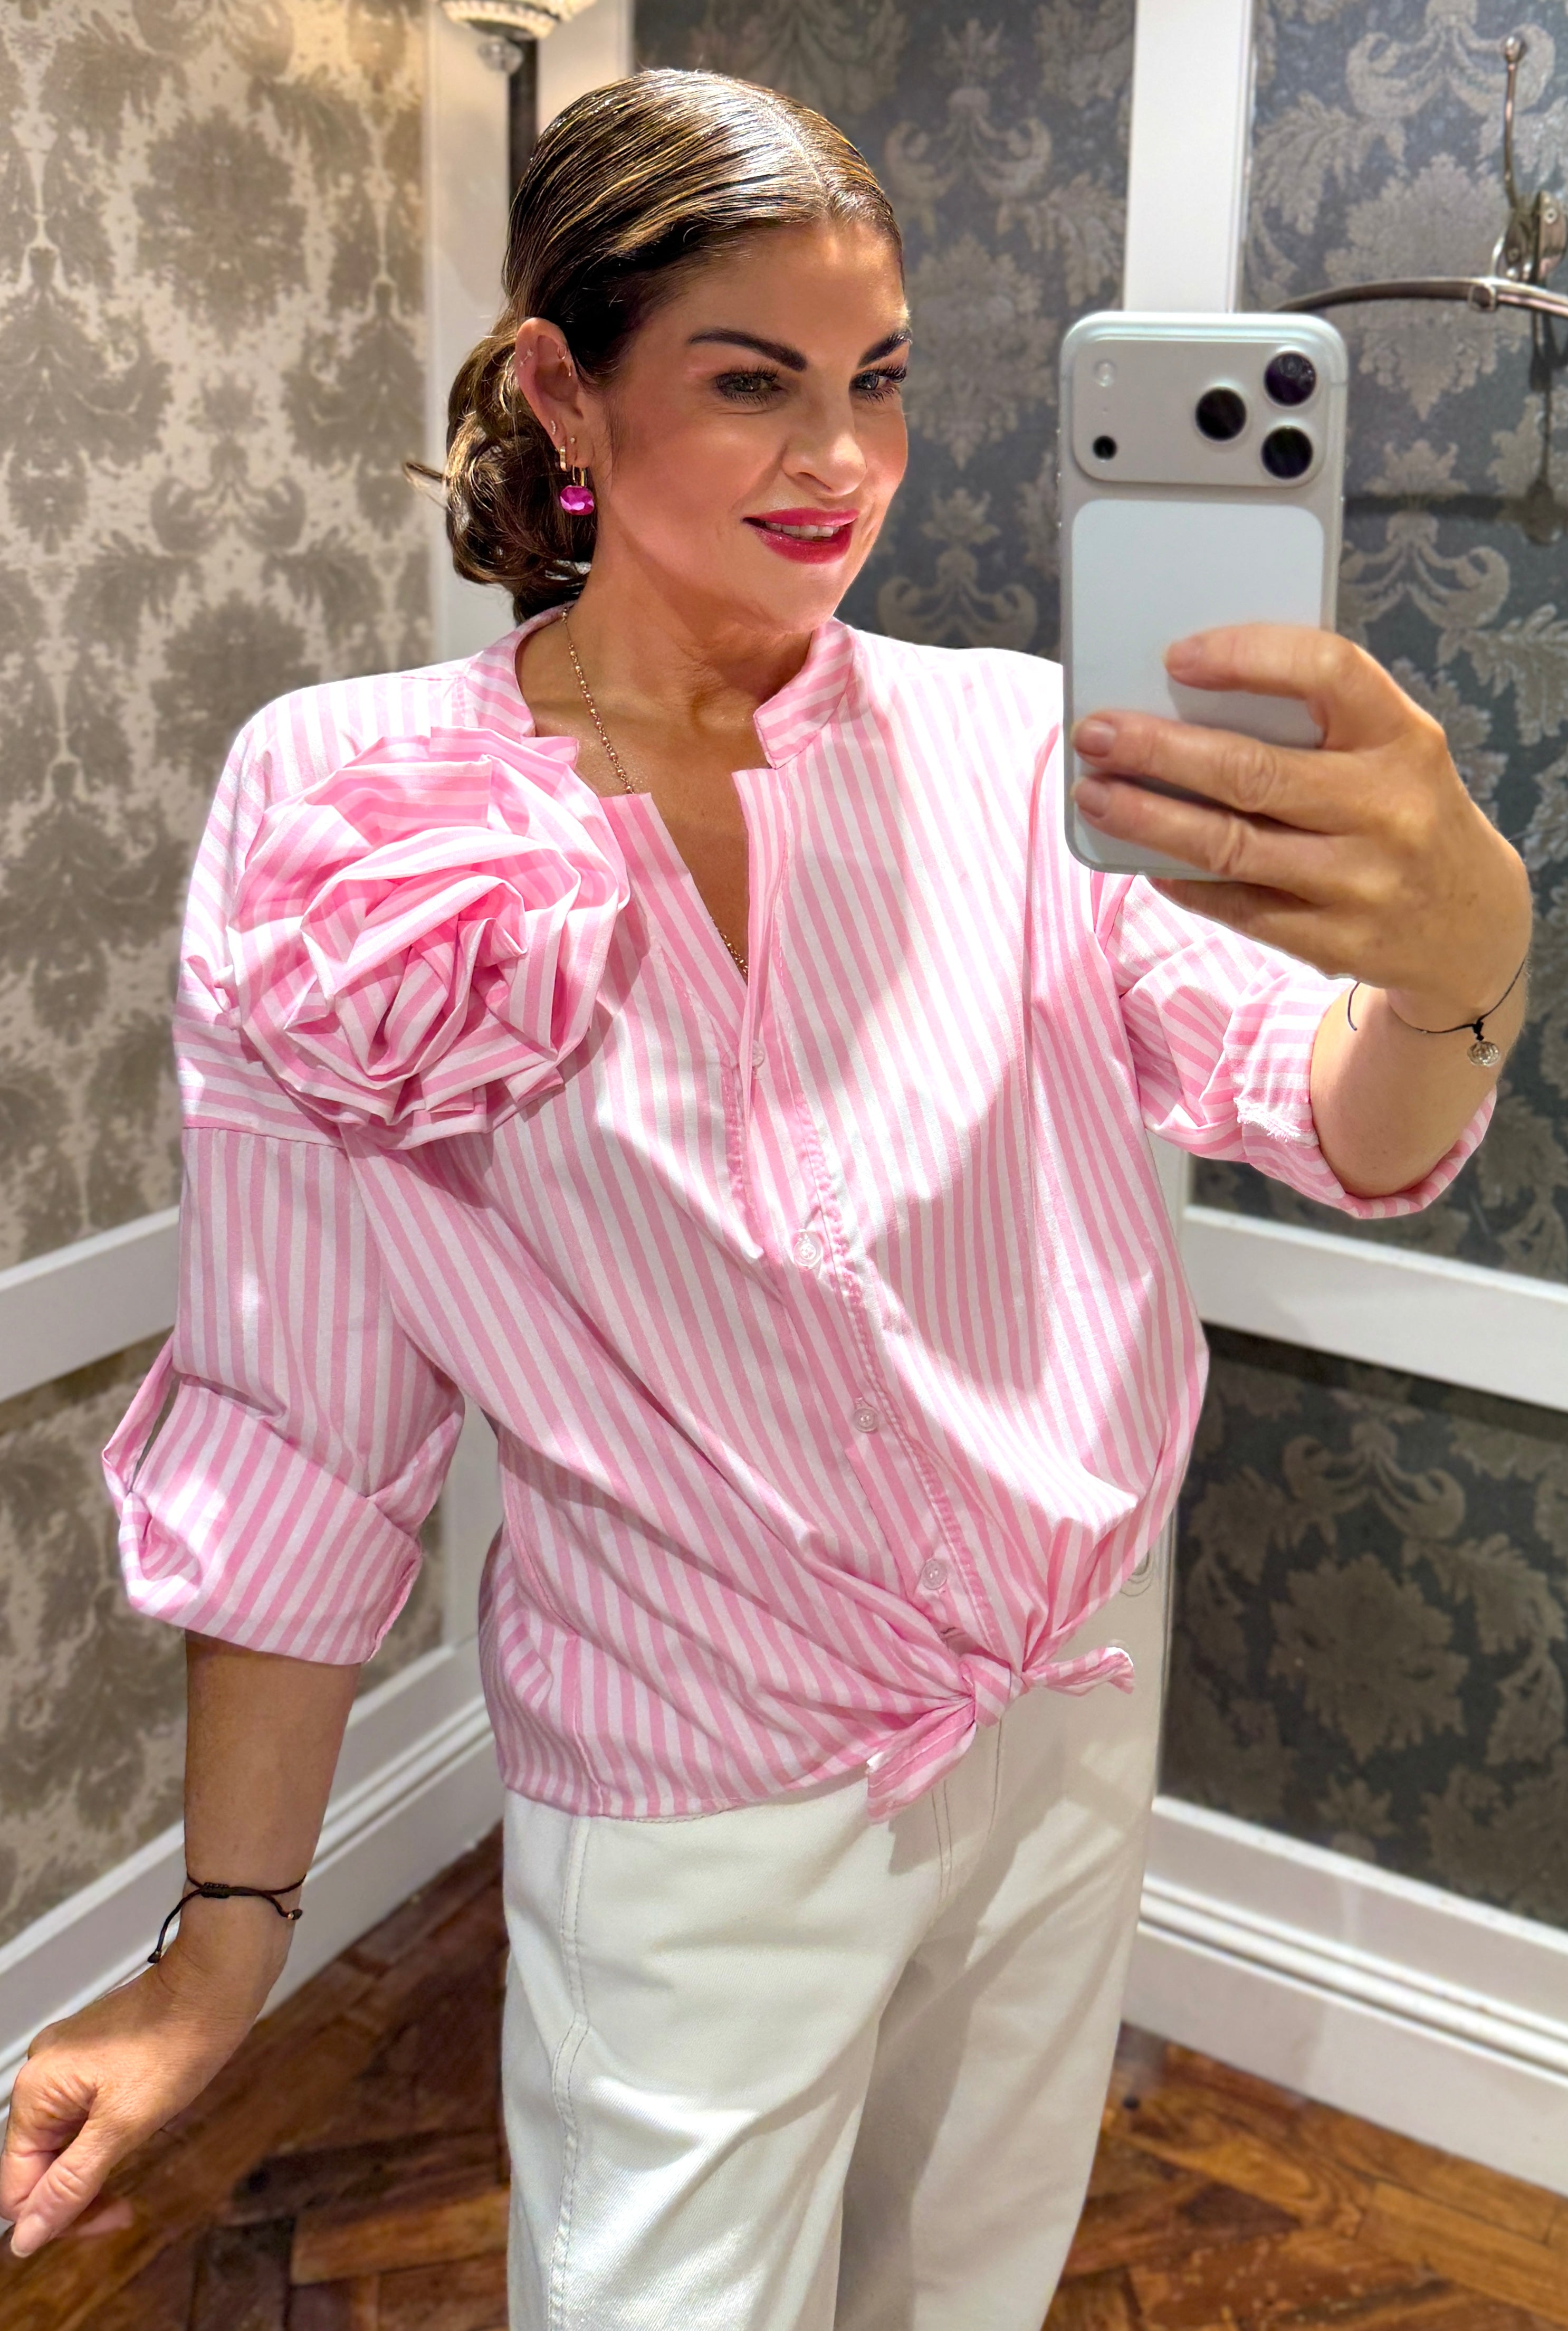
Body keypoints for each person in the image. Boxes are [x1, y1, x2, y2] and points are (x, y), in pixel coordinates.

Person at [0, 69, 1529, 2331]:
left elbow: (1341, 1120)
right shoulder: (352, 819)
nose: (843, 462)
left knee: (969, 2280)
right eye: (753, 383)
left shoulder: (1021, 750)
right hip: (691, 1789)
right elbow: (301, 1425)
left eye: (878, 381)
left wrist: (1461, 970)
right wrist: (222, 1941)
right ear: (562, 388)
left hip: (1067, 1708)